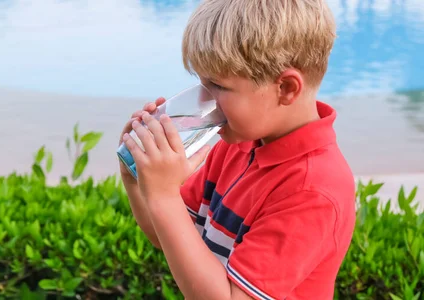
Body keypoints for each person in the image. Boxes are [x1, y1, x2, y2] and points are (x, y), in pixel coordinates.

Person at [118, 0, 356, 299]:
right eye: (201, 82)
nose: (203, 99)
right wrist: (138, 178)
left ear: (285, 89)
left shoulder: (313, 190)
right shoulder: (236, 146)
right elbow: (168, 237)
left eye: (217, 85)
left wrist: (164, 195)